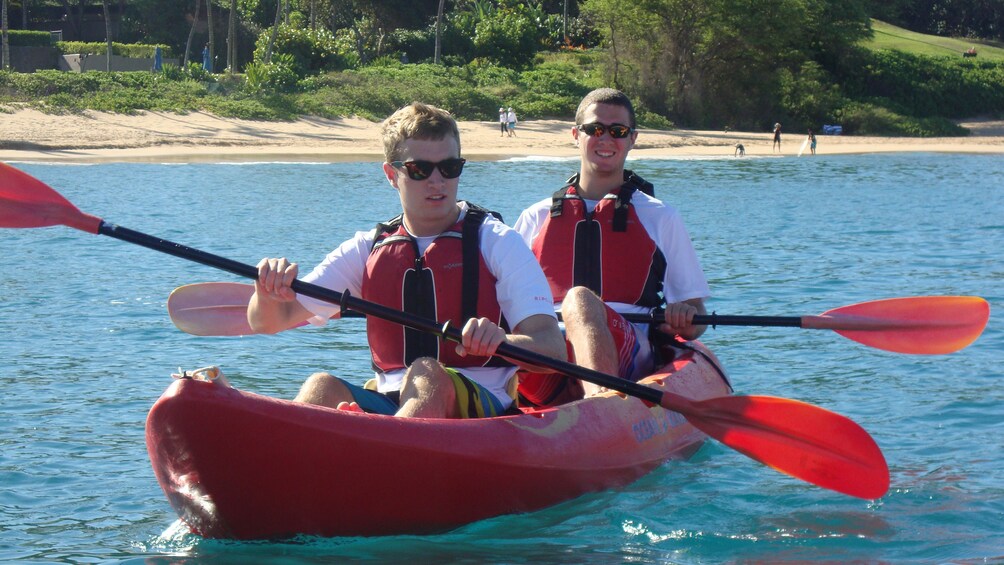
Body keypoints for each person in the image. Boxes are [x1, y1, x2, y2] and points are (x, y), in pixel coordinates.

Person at [248, 102, 565, 419]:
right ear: (391, 174)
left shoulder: (497, 241)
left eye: (450, 168)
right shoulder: (367, 249)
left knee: (427, 372)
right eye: (420, 170)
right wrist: (265, 292)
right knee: (321, 386)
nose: (438, 181)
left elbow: (552, 347)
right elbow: (269, 320)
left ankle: (384, 453)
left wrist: (502, 340)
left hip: (483, 404)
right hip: (391, 400)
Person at [513, 88, 711, 407]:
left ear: (632, 138)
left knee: (579, 301)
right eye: (595, 129)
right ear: (576, 135)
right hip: (549, 354)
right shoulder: (534, 217)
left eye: (617, 131)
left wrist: (686, 315)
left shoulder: (660, 216)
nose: (606, 139)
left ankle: (600, 405)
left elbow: (695, 317)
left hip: (628, 350)